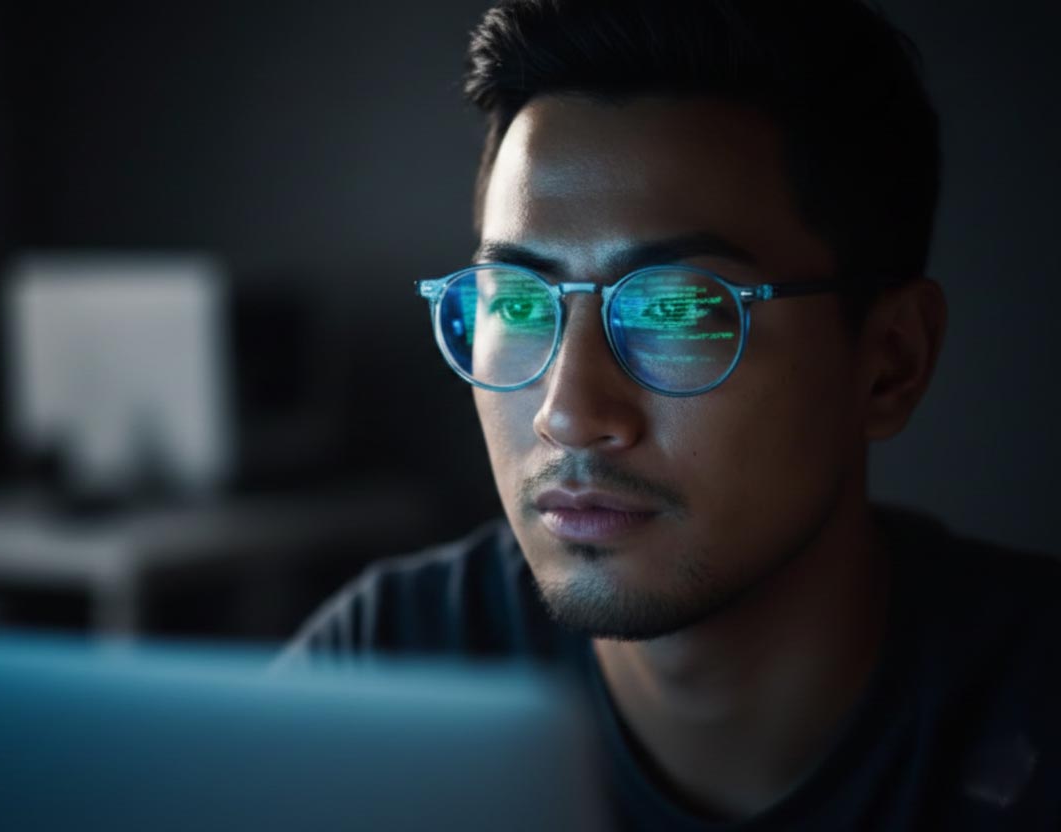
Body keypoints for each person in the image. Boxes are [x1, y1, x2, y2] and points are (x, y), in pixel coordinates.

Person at [278, 1, 1061, 827]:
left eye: (676, 311)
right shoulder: (385, 674)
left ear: (890, 365)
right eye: (518, 304)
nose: (567, 416)